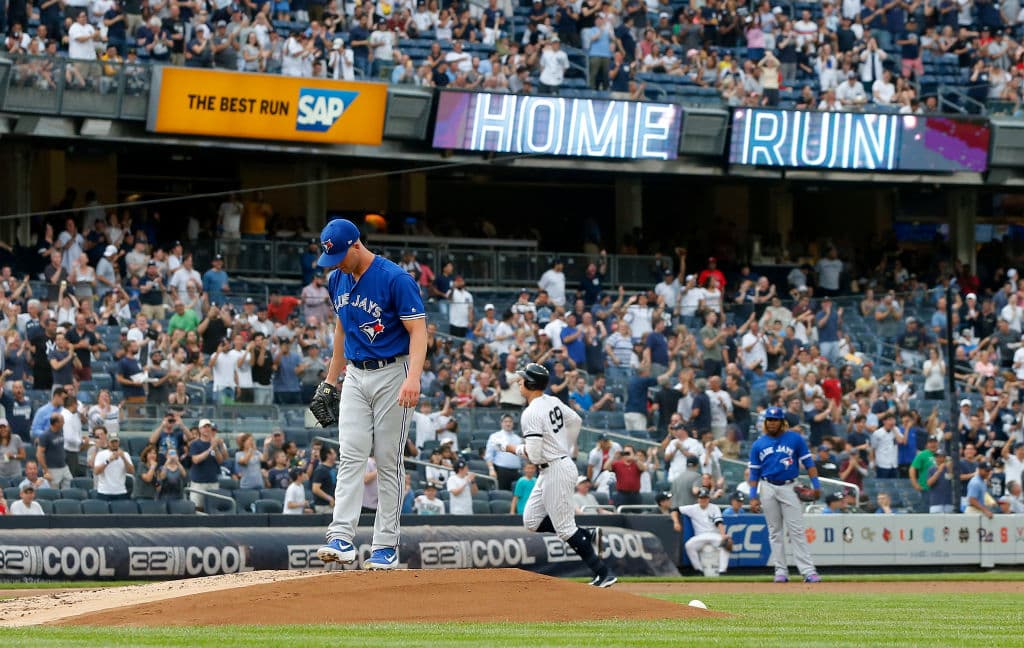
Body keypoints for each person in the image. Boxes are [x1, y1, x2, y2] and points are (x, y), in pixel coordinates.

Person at [315, 219, 427, 571]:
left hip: (394, 372)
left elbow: (419, 331)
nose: (335, 265)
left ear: (356, 245)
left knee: (388, 459)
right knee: (350, 455)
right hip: (356, 376)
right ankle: (341, 538)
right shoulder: (338, 280)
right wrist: (330, 381)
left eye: (338, 256)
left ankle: (385, 545)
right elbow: (341, 331)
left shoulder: (395, 278)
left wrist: (415, 378)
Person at [503, 363, 616, 587]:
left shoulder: (531, 413)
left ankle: (603, 573)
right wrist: (566, 445)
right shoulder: (551, 401)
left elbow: (534, 456)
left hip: (555, 468)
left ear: (530, 383)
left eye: (522, 378)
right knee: (532, 520)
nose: (519, 381)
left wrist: (512, 448)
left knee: (565, 529)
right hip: (554, 467)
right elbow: (576, 420)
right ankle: (586, 533)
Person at [748, 406, 822, 583]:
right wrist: (753, 496)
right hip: (767, 486)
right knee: (775, 532)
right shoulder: (758, 444)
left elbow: (809, 463)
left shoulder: (794, 439)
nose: (772, 423)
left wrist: (816, 485)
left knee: (796, 530)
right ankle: (780, 571)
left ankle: (808, 571)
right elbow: (753, 473)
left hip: (789, 486)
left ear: (782, 422)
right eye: (769, 420)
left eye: (775, 420)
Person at [672, 487, 733, 575]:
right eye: (701, 498)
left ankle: (722, 571)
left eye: (705, 498)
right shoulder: (692, 508)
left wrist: (723, 535)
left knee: (726, 544)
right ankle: (698, 570)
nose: (703, 500)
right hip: (700, 536)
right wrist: (676, 522)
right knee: (689, 545)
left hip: (714, 535)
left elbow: (719, 522)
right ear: (698, 499)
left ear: (708, 498)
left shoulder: (714, 508)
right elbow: (674, 510)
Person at [188, 419, 228, 511]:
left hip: (212, 481)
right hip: (199, 482)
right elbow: (196, 460)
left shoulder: (215, 442)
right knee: (197, 507)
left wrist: (218, 447)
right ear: (200, 429)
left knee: (213, 507)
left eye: (208, 426)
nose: (207, 429)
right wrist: (210, 449)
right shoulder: (195, 444)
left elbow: (221, 460)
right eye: (204, 427)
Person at [485, 413, 524, 490]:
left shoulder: (518, 439)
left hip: (516, 472)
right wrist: (491, 469)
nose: (508, 423)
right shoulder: (495, 437)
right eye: (505, 421)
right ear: (501, 423)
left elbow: (521, 457)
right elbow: (489, 456)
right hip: (501, 471)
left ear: (513, 423)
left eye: (510, 421)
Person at [92, 431, 134, 500]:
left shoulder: (125, 454)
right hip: (104, 492)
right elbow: (96, 472)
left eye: (116, 442)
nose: (114, 444)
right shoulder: (101, 454)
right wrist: (108, 461)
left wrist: (123, 458)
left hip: (120, 491)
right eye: (112, 442)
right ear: (108, 442)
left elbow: (131, 471)